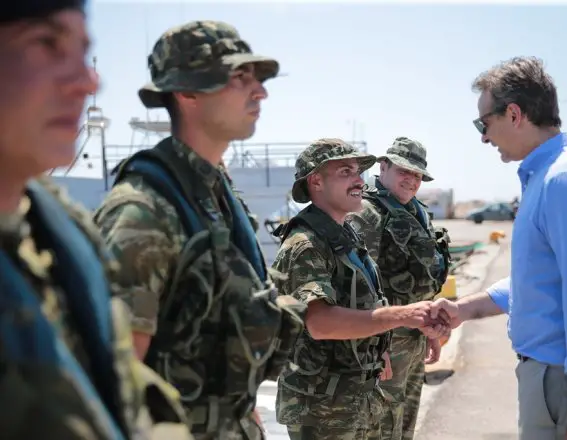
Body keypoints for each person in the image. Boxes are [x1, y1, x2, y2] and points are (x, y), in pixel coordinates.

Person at [94, 20, 307, 439]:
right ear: (187, 92)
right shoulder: (145, 212)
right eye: (238, 77)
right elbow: (117, 387)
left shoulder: (215, 193)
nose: (260, 91)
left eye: (258, 78)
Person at [0, 1, 193, 439]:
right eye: (46, 43)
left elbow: (123, 387)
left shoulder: (55, 228)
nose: (89, 82)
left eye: (82, 53)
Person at [437, 56, 567, 440]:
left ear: (513, 114)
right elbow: (543, 280)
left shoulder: (564, 181)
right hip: (559, 379)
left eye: (484, 123)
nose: (483, 136)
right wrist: (464, 309)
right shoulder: (548, 176)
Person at [271, 139, 451, 440]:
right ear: (316, 181)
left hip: (352, 390)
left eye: (358, 172)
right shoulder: (306, 244)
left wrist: (380, 349)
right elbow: (320, 323)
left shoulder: (343, 235)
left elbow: (363, 297)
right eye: (346, 172)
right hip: (322, 403)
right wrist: (400, 316)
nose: (359, 181)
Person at [346, 136, 451, 440]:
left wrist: (430, 330)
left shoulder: (418, 211)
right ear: (384, 166)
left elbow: (426, 278)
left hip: (415, 338)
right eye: (404, 171)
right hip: (386, 344)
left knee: (405, 427)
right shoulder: (366, 212)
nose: (411, 180)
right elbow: (358, 286)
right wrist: (375, 349)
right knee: (379, 428)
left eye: (417, 175)